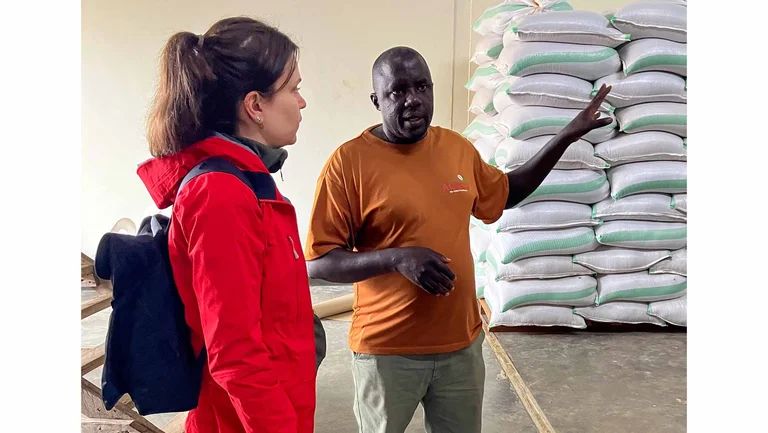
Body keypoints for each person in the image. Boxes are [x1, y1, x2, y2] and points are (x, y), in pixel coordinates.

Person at [304, 46, 612, 433]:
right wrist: (396, 258)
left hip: (460, 348)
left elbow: (505, 192)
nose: (413, 99)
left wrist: (564, 138)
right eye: (397, 91)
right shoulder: (347, 165)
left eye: (421, 86)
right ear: (376, 100)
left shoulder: (455, 148)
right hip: (386, 351)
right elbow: (319, 262)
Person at [137, 17, 319, 433]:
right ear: (255, 106)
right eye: (293, 89)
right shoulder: (220, 194)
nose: (302, 102)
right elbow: (235, 354)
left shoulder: (250, 183)